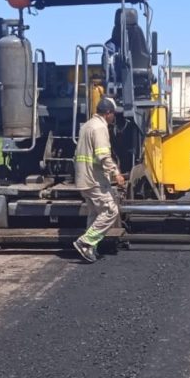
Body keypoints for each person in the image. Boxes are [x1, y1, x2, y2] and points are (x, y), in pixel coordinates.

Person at [72, 97, 125, 263]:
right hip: (94, 179)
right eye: (113, 114)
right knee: (110, 211)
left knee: (95, 214)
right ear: (108, 113)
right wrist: (116, 173)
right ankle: (86, 242)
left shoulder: (87, 125)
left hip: (82, 178)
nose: (114, 117)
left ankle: (89, 249)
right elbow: (103, 155)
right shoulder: (100, 128)